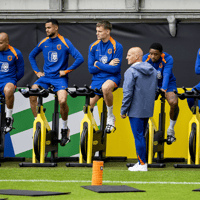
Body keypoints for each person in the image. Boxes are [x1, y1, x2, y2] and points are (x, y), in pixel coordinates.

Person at [29, 19, 84, 146]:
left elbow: (80, 58)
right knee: (32, 93)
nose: (46, 30)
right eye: (46, 28)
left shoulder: (65, 41)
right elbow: (31, 56)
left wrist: (66, 71)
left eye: (48, 28)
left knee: (62, 101)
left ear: (56, 28)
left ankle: (64, 129)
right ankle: (38, 124)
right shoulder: (44, 42)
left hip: (60, 79)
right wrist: (37, 72)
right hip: (46, 77)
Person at [121, 47, 157, 172]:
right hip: (147, 108)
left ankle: (142, 164)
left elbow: (127, 93)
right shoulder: (153, 70)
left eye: (129, 55)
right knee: (141, 136)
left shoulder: (130, 72)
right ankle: (141, 162)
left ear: (137, 56)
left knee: (139, 136)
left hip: (135, 109)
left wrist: (123, 110)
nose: (126, 57)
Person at [88, 20, 123, 132]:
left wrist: (98, 64)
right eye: (96, 31)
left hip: (112, 78)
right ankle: (92, 128)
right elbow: (90, 69)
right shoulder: (93, 46)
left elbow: (115, 69)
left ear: (107, 31)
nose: (96, 33)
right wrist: (107, 65)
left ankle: (111, 117)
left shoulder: (117, 46)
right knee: (87, 106)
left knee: (106, 88)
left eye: (100, 31)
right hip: (97, 78)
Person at [143, 43, 179, 145]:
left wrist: (163, 89)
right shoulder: (145, 58)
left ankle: (171, 130)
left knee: (174, 102)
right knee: (142, 102)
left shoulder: (168, 58)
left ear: (161, 54)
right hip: (152, 83)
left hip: (168, 83)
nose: (153, 56)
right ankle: (147, 126)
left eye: (156, 54)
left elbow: (167, 74)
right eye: (151, 54)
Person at [0, 32, 24, 132]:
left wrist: (12, 81)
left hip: (8, 81)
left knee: (9, 89)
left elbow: (21, 72)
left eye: (0, 43)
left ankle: (9, 118)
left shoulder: (16, 53)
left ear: (7, 42)